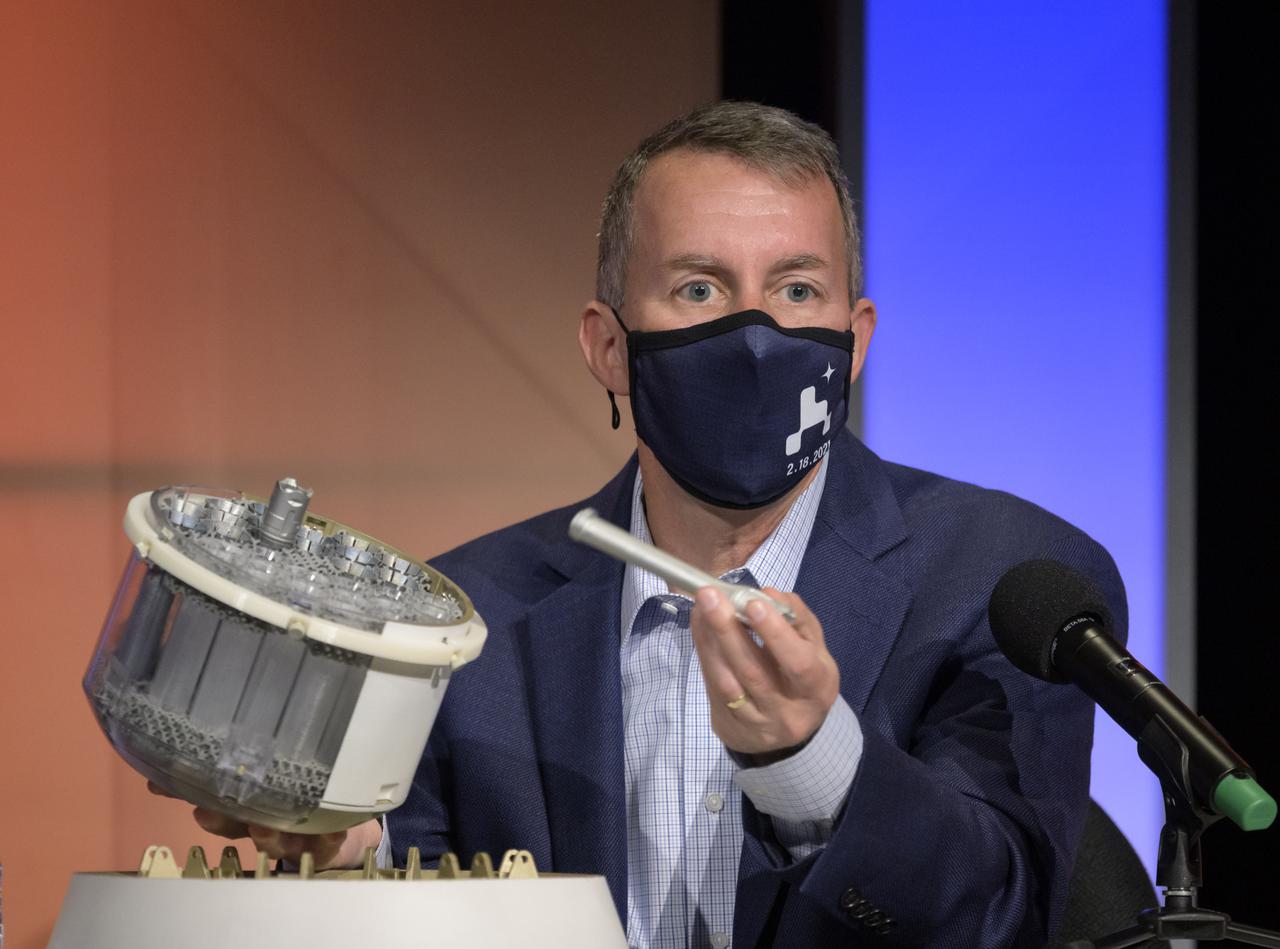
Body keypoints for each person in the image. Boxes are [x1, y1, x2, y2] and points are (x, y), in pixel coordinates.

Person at [189, 101, 1123, 948]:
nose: (756, 337)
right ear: (608, 347)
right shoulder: (463, 619)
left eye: (797, 290)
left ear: (859, 337)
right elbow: (426, 887)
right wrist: (351, 846)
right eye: (701, 290)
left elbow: (1000, 913)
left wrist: (814, 759)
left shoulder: (1005, 579)